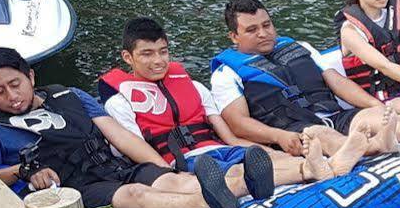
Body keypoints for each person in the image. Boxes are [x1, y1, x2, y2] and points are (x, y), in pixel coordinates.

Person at [0, 48, 260, 208]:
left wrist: (161, 165)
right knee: (137, 195)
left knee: (173, 180)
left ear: (30, 76)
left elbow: (120, 137)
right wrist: (21, 170)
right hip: (75, 194)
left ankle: (248, 185)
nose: (11, 95)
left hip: (113, 169)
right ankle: (213, 203)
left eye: (15, 83)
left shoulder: (68, 95)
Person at [96, 17, 344, 190]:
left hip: (219, 148)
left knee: (268, 157)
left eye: (163, 51)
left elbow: (229, 138)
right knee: (233, 172)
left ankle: (321, 165)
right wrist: (173, 177)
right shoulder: (119, 103)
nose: (158, 60)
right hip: (183, 162)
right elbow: (136, 152)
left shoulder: (194, 87)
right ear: (128, 57)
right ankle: (313, 170)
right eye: (147, 54)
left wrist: (269, 151)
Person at [209, 0, 400, 161]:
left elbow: (336, 81)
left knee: (378, 119)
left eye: (267, 25)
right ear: (234, 36)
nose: (263, 33)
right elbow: (238, 123)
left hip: (335, 116)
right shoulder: (226, 74)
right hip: (293, 133)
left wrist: (374, 105)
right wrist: (278, 137)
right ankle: (374, 146)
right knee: (319, 134)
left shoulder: (300, 47)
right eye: (252, 30)